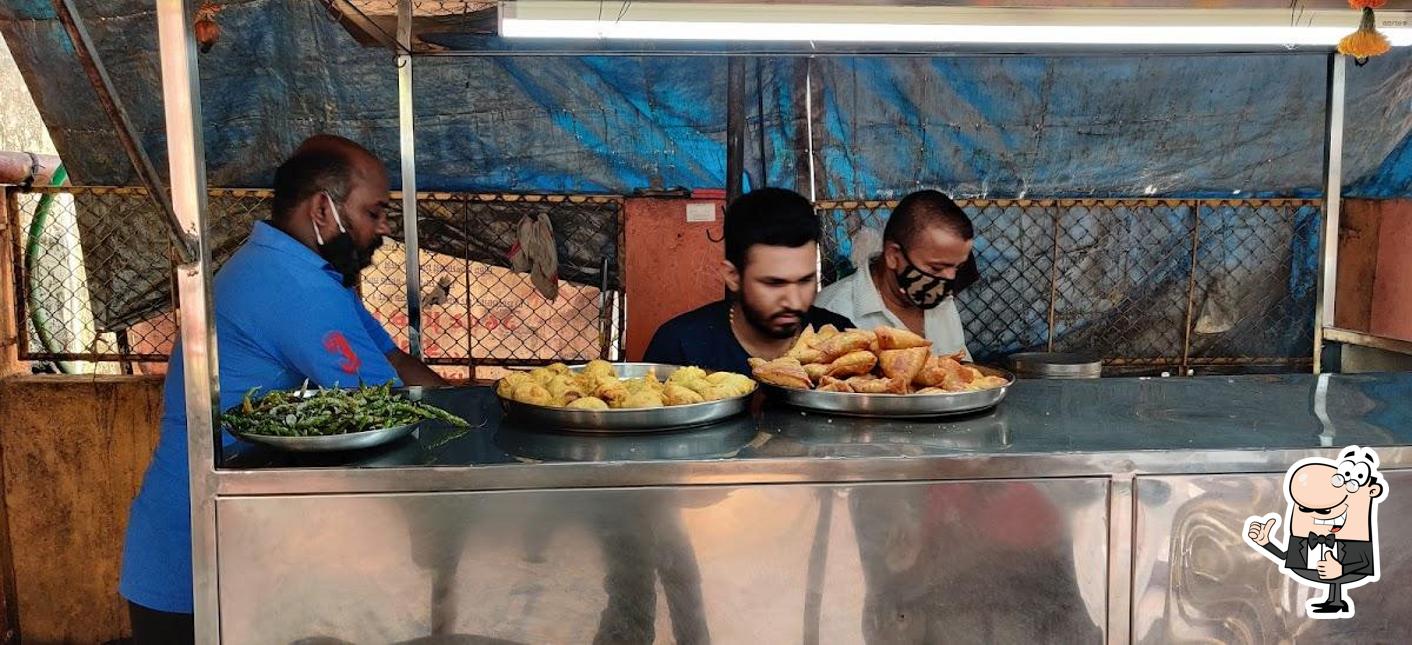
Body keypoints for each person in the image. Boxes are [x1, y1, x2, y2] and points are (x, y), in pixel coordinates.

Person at [119, 135, 446, 643]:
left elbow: (394, 362)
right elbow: (388, 408)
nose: (384, 227)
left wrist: (485, 403)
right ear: (323, 208)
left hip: (235, 544)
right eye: (375, 210)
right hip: (196, 557)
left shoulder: (306, 272)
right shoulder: (291, 285)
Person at [643, 187, 853, 374]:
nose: (794, 301)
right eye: (774, 283)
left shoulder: (843, 344)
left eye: (805, 281)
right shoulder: (681, 347)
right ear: (733, 277)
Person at [816, 189, 977, 358]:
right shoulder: (832, 313)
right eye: (936, 268)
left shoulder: (940, 298)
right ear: (893, 256)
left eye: (956, 268)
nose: (949, 282)